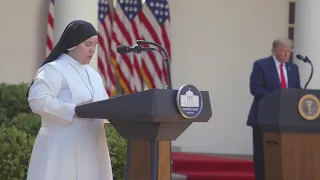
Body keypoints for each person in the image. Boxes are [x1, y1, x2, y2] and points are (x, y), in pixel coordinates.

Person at [26, 20, 113, 180]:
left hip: (93, 146)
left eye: (95, 45)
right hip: (62, 147)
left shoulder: (94, 75)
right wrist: (74, 111)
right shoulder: (53, 69)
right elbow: (37, 100)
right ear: (73, 44)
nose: (92, 50)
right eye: (88, 44)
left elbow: (104, 105)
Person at [247, 37, 301, 180]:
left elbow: (296, 90)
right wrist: (275, 98)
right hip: (264, 116)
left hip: (286, 119)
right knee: (262, 154)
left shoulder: (293, 68)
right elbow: (255, 88)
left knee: (284, 153)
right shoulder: (261, 65)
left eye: (288, 51)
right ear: (274, 50)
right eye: (283, 51)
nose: (286, 54)